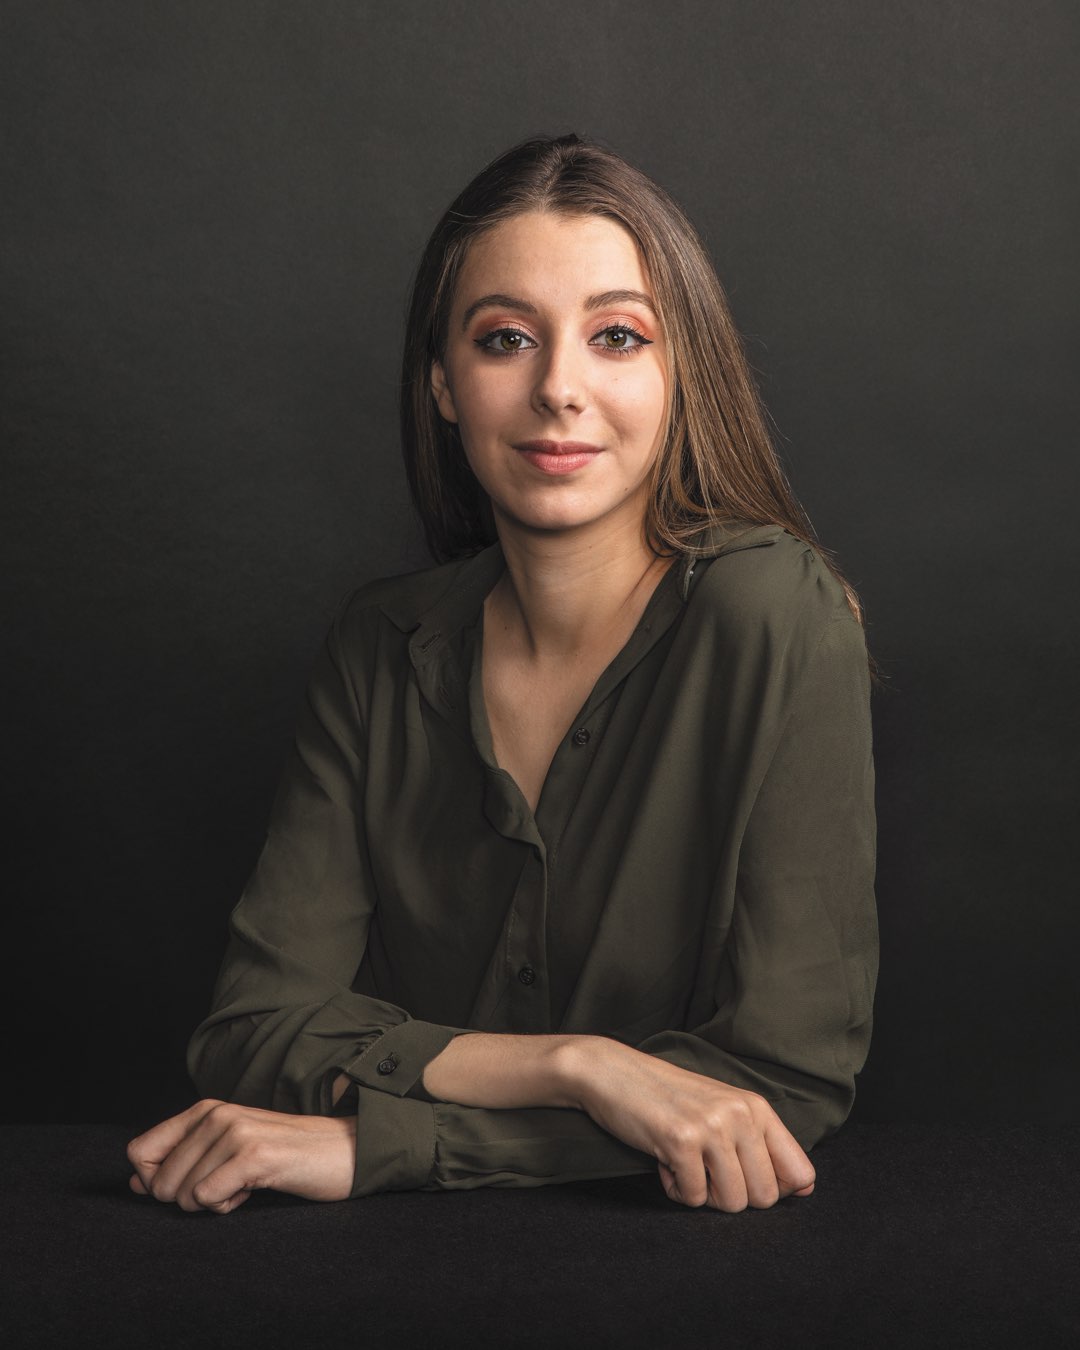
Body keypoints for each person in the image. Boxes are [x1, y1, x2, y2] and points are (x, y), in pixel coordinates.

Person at [127, 133, 878, 1216]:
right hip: (380, 1278)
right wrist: (580, 1067)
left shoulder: (773, 615)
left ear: (681, 375)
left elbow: (780, 1084)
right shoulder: (381, 644)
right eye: (507, 339)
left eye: (617, 336)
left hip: (679, 1277)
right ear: (443, 382)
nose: (559, 389)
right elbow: (253, 1032)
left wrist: (381, 1144)